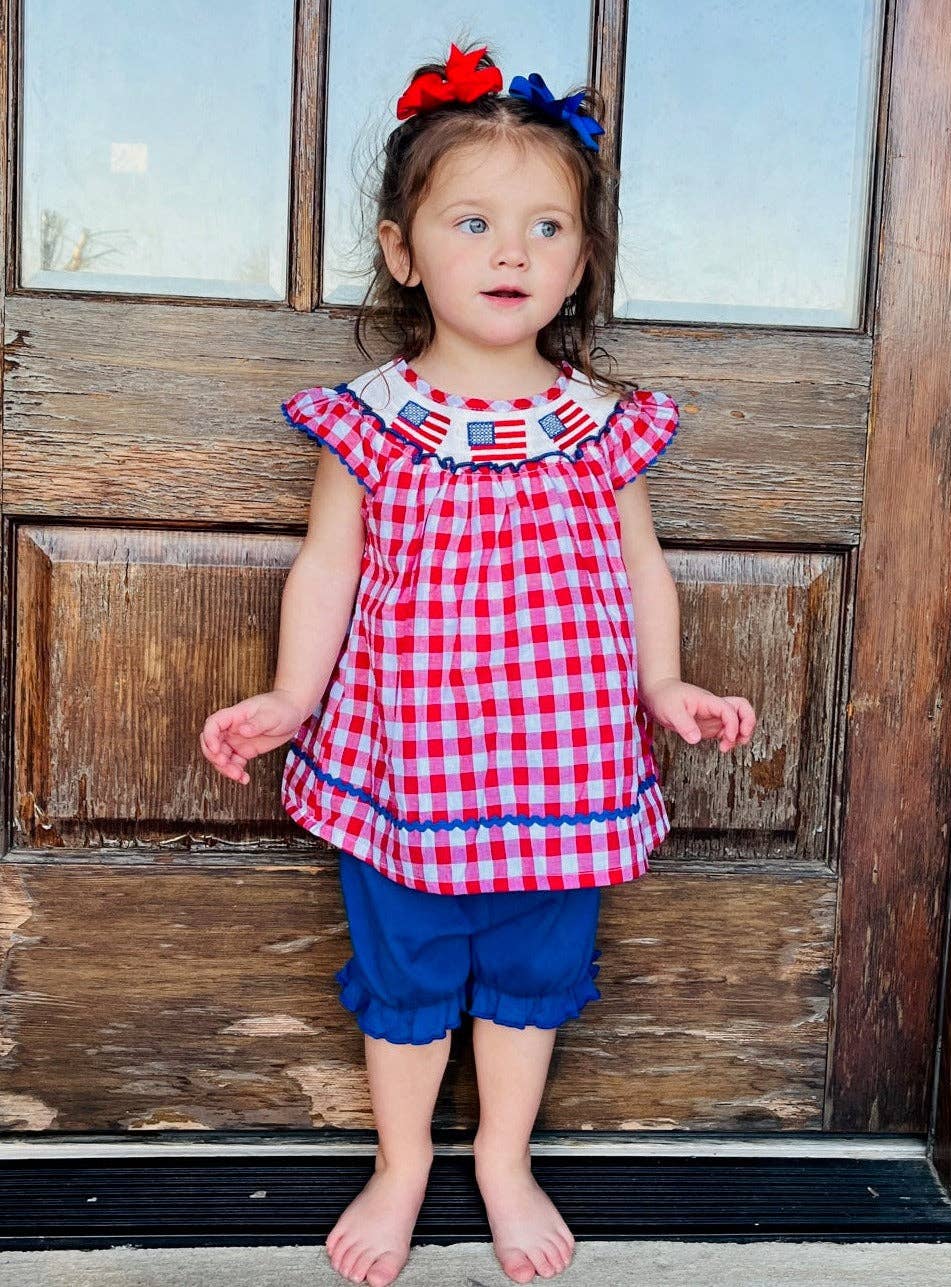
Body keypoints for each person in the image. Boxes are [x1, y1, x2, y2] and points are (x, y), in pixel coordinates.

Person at [201, 39, 756, 1287]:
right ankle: (402, 1163)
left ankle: (504, 1158)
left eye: (546, 225)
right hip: (406, 771)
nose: (512, 251)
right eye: (474, 220)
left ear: (578, 258)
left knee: (530, 980)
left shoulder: (601, 425)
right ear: (403, 249)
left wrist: (665, 685)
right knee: (404, 978)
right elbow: (327, 570)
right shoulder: (371, 421)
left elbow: (640, 572)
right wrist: (293, 695)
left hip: (564, 770)